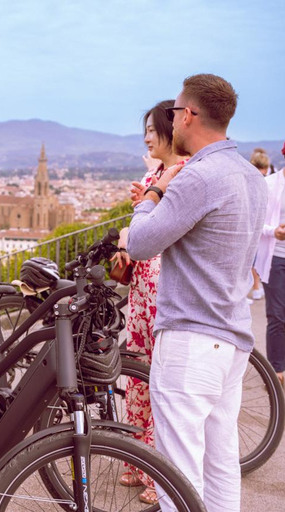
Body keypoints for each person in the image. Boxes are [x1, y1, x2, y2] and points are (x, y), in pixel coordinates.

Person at [127, 74, 266, 512]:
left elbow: (140, 243)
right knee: (220, 462)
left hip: (191, 339)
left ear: (188, 115)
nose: (170, 122)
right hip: (232, 338)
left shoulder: (198, 177)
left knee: (179, 473)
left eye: (173, 113)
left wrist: (152, 194)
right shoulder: (250, 176)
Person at [110, 99, 182, 505]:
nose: (147, 138)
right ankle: (137, 461)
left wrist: (144, 210)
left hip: (163, 289)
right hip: (142, 290)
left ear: (171, 130)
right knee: (138, 379)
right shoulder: (155, 174)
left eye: (152, 130)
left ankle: (158, 475)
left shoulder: (182, 174)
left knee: (160, 384)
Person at [253, 143, 285, 387]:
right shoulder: (269, 184)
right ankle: (277, 370)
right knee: (277, 314)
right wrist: (273, 231)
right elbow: (255, 222)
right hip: (276, 258)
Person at [249, 149, 272, 302]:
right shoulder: (264, 181)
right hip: (258, 223)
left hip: (256, 223)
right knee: (254, 258)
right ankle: (256, 286)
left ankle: (256, 286)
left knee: (254, 258)